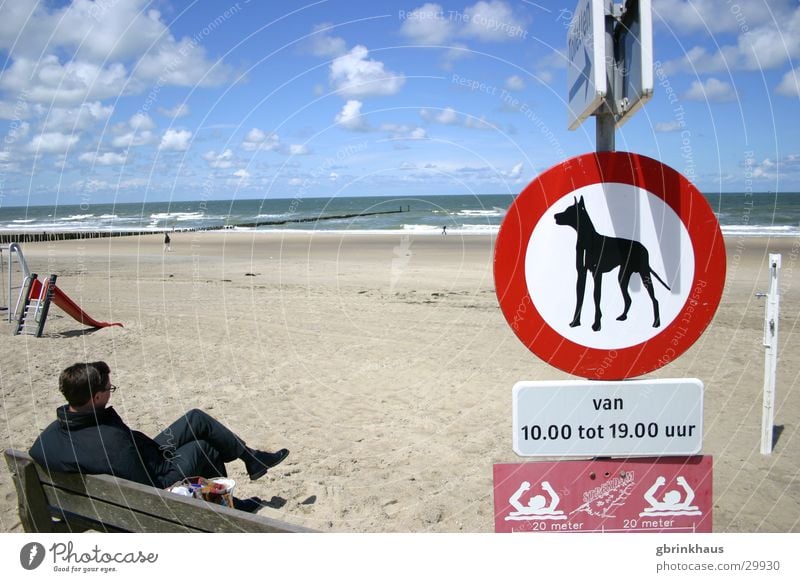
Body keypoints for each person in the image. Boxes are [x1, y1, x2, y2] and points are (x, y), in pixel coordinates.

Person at [29, 362, 289, 490]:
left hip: (144, 454)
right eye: (109, 389)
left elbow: (37, 453)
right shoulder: (109, 438)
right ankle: (227, 505)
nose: (110, 393)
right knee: (203, 448)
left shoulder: (52, 434)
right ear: (95, 397)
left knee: (195, 418)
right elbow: (149, 485)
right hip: (156, 475)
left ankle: (252, 459)